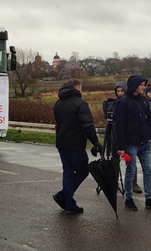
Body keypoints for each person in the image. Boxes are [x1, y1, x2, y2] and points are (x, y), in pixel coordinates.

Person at [114, 74, 151, 211]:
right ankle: (129, 199)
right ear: (134, 85)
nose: (144, 87)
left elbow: (148, 120)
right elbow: (119, 125)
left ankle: (149, 198)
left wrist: (148, 136)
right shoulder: (123, 102)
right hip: (130, 144)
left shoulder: (143, 101)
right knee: (131, 170)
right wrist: (121, 146)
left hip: (144, 143)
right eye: (141, 85)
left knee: (148, 170)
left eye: (144, 85)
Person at [52, 78, 101, 215]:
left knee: (68, 172)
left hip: (61, 143)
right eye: (81, 88)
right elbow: (87, 125)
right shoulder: (81, 104)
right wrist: (95, 142)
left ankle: (66, 199)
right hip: (75, 144)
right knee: (83, 171)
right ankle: (67, 200)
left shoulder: (58, 103)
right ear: (77, 88)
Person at [102, 81, 142, 193]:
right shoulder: (113, 103)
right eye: (118, 91)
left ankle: (133, 183)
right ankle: (114, 182)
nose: (120, 93)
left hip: (126, 138)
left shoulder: (129, 103)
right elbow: (109, 118)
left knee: (130, 161)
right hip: (113, 136)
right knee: (114, 161)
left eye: (122, 91)